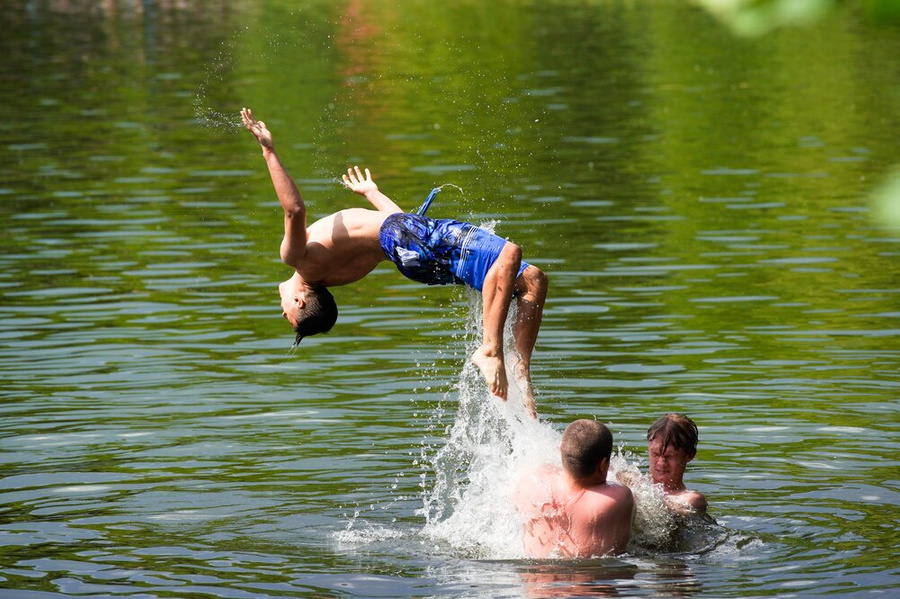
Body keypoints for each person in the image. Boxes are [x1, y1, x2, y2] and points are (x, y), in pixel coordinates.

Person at [240, 108, 548, 418]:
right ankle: (491, 349)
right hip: (406, 240)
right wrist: (268, 150)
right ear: (300, 301)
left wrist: (373, 193)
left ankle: (520, 372)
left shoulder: (339, 274)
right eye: (288, 315)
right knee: (509, 255)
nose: (282, 310)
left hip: (413, 258)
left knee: (532, 280)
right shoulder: (298, 258)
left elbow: (400, 232)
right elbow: (294, 210)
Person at [512, 420, 635, 557]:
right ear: (603, 464)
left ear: (560, 451)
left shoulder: (529, 482)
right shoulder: (618, 497)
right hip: (593, 576)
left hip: (536, 576)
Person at [646, 413, 708, 514]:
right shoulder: (634, 481)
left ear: (689, 455)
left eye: (669, 456)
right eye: (656, 454)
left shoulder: (692, 500)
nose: (661, 463)